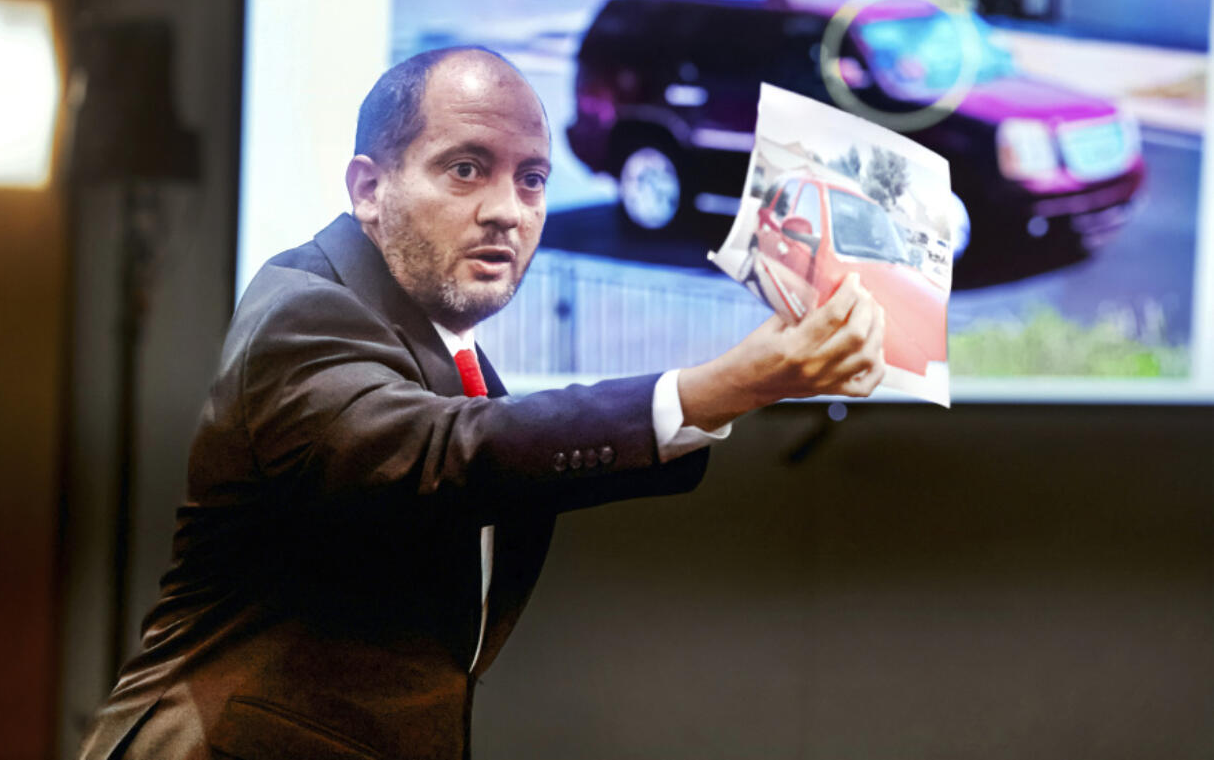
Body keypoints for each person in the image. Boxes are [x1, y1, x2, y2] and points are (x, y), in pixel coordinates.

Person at [78, 46, 885, 760]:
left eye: (532, 178)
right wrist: (725, 383)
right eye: (466, 168)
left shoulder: (453, 352)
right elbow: (444, 454)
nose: (508, 209)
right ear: (369, 187)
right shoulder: (305, 308)